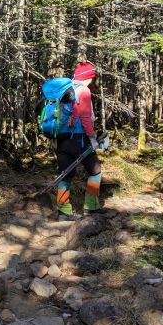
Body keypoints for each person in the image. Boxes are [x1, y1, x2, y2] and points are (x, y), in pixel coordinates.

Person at [55, 61, 105, 221]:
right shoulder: (83, 91)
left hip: (61, 137)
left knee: (66, 173)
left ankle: (63, 211)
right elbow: (85, 117)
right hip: (78, 138)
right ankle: (91, 207)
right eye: (92, 77)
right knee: (95, 170)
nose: (92, 80)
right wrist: (91, 137)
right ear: (88, 77)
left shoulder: (65, 89)